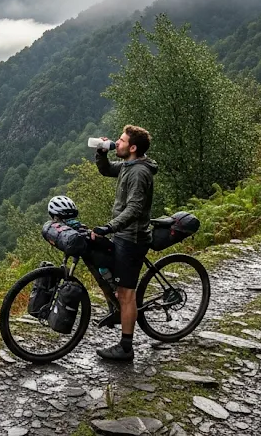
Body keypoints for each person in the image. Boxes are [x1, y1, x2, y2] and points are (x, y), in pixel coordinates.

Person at [91, 124, 158, 361]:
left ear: (132, 147)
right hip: (122, 234)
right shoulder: (129, 165)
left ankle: (126, 348)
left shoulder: (139, 173)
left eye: (120, 141)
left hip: (133, 238)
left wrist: (109, 227)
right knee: (116, 284)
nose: (116, 143)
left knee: (126, 294)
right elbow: (108, 170)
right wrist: (101, 153)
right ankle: (117, 312)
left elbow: (135, 208)